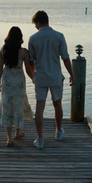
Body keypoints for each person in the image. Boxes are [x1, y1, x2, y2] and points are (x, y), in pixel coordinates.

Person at [28, 10, 74, 149]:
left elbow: (30, 60)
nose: (35, 26)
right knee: (57, 104)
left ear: (38, 22)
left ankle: (40, 139)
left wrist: (33, 75)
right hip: (55, 77)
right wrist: (72, 74)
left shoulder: (33, 38)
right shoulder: (59, 36)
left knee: (40, 107)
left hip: (40, 77)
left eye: (35, 24)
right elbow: (65, 58)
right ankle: (58, 131)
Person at [0, 26, 34, 146]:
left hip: (7, 81)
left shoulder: (3, 50)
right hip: (18, 82)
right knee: (18, 106)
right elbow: (28, 69)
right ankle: (17, 133)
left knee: (7, 107)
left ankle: (8, 138)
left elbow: (0, 69)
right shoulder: (24, 52)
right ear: (20, 38)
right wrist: (34, 79)